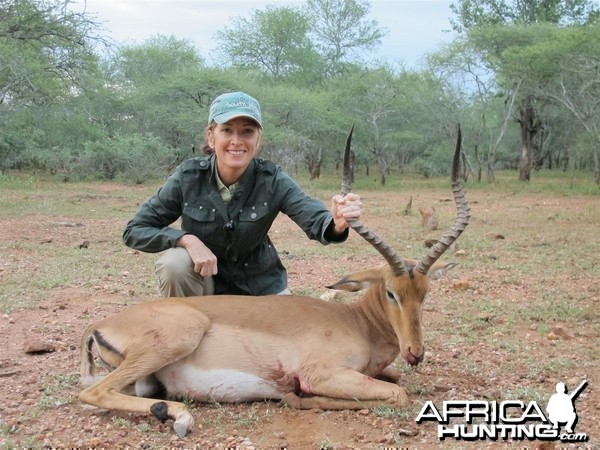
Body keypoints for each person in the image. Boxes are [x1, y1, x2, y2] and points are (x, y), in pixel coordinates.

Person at [123, 91, 363, 297]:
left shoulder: (272, 179)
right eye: (227, 130)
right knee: (173, 263)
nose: (236, 141)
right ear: (211, 136)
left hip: (260, 289)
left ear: (257, 140)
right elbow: (135, 230)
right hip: (206, 287)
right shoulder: (188, 177)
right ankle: (187, 334)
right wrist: (186, 240)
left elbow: (316, 220)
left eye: (247, 131)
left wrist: (337, 223)